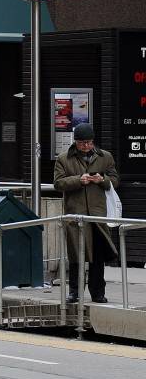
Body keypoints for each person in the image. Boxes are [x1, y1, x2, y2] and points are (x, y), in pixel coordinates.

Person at [53, 123, 119, 304]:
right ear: (76, 142)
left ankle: (98, 293)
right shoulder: (64, 158)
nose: (87, 146)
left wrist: (102, 180)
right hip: (76, 214)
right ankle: (74, 292)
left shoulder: (105, 157)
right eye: (82, 143)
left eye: (89, 142)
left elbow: (115, 180)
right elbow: (58, 184)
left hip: (98, 215)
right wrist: (78, 180)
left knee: (97, 256)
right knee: (76, 255)